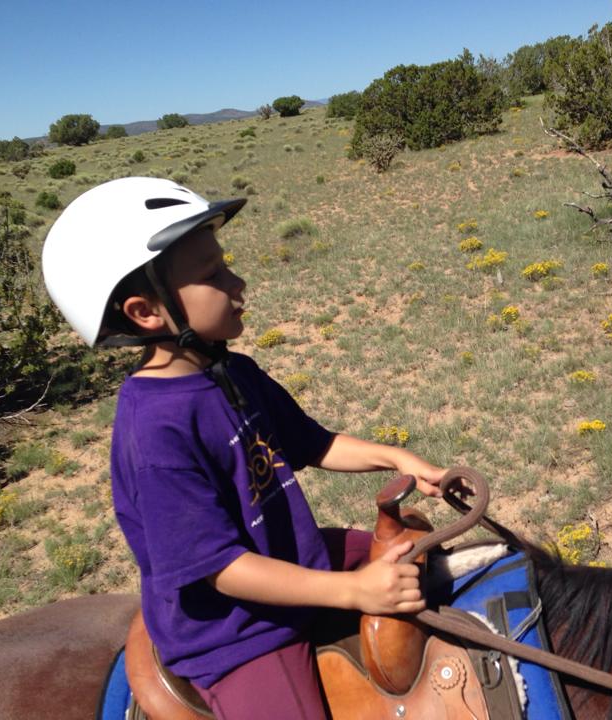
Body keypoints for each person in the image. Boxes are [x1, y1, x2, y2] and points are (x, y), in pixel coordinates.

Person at [42, 177, 447, 719]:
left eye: (226, 265)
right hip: (235, 626)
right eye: (213, 276)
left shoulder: (232, 371)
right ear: (146, 313)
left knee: (429, 557)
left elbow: (316, 444)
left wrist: (399, 458)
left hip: (289, 553)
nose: (239, 283)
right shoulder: (154, 430)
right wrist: (355, 592)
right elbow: (222, 568)